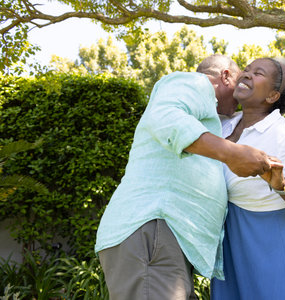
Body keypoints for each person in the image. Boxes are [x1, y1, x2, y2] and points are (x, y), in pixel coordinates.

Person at [95, 54, 273, 300]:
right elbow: (166, 118)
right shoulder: (195, 83)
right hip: (154, 228)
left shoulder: (207, 119)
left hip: (164, 238)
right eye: (239, 80)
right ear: (225, 76)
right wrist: (232, 153)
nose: (239, 102)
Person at [211, 57, 285, 300]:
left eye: (258, 73)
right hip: (229, 239)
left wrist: (282, 185)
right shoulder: (221, 126)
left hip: (269, 241)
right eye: (247, 69)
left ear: (272, 96)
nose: (247, 74)